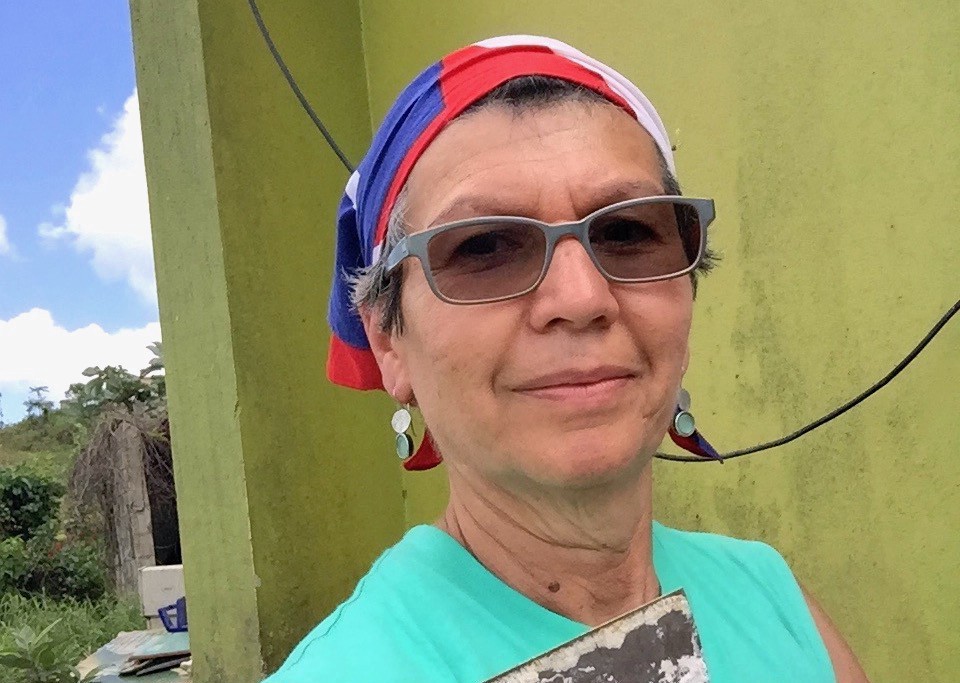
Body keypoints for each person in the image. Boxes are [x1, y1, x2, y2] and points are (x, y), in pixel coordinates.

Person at [267, 35, 869, 682]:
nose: (581, 298)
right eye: (486, 245)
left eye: (628, 232)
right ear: (389, 340)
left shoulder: (773, 599)